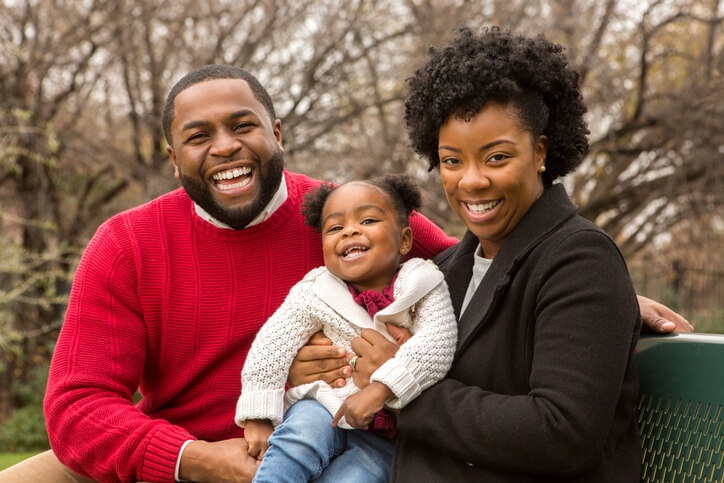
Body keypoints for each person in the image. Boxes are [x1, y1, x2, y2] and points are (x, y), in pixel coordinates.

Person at [0, 61, 688, 483]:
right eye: (199, 137)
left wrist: (616, 293)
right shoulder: (127, 244)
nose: (226, 147)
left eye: (244, 125)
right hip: (186, 452)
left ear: (278, 132)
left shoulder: (352, 217)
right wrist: (194, 459)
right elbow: (76, 408)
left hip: (333, 440)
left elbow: (483, 260)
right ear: (173, 158)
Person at [312, 27, 647, 481]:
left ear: (540, 152)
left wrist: (400, 388)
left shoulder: (581, 261)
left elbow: (560, 431)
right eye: (452, 161)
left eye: (496, 158)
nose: (470, 181)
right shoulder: (441, 272)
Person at [237, 175, 457, 482]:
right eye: (335, 228)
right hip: (324, 403)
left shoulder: (424, 284)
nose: (350, 230)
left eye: (367, 219)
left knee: (358, 477)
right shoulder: (316, 290)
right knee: (297, 440)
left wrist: (381, 389)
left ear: (405, 240)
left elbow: (437, 345)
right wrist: (258, 415)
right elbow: (273, 346)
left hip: (387, 432)